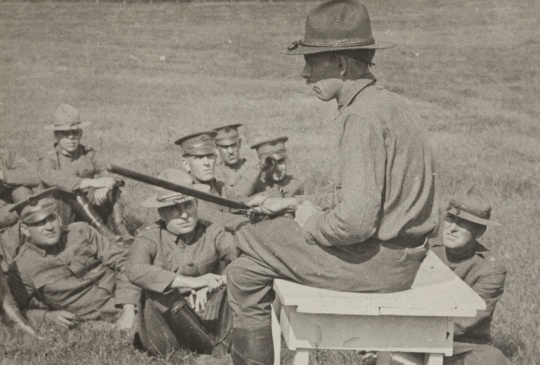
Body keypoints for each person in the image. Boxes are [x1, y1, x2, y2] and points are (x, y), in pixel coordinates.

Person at [198, 1, 439, 364]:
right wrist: (292, 203)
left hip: (378, 265)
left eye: (311, 62)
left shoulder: (360, 119)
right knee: (245, 272)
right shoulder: (390, 104)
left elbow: (355, 221)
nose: (304, 75)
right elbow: (365, 197)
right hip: (402, 257)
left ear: (340, 64)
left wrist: (308, 221)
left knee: (251, 236)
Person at [126, 169, 236, 357]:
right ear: (162, 212)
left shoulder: (213, 231)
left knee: (237, 281)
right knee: (159, 290)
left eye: (188, 205)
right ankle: (216, 352)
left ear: (197, 204)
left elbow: (242, 258)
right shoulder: (150, 237)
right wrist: (192, 282)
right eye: (174, 208)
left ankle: (217, 352)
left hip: (208, 315)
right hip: (166, 328)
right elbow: (135, 270)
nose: (184, 214)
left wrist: (216, 283)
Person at [7, 188, 139, 331]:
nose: (49, 227)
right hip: (96, 320)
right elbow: (13, 310)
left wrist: (128, 309)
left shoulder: (81, 231)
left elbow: (123, 261)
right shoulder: (22, 266)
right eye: (39, 223)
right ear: (25, 230)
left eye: (51, 218)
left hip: (130, 297)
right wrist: (46, 316)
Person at [432, 187, 508, 365]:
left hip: (460, 345)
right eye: (450, 218)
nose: (452, 228)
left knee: (492, 359)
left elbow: (468, 320)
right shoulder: (426, 253)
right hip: (415, 339)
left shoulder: (490, 269)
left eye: (463, 223)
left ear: (480, 231)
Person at [38, 104, 132, 243]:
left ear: (81, 133)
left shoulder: (88, 153)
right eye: (65, 133)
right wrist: (93, 183)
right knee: (72, 190)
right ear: (56, 136)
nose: (71, 137)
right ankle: (104, 233)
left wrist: (104, 186)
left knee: (113, 188)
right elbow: (53, 178)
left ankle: (121, 230)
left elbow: (105, 171)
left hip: (88, 209)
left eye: (75, 132)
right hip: (61, 212)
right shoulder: (49, 158)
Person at [175, 131, 249, 231]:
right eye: (199, 158)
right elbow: (208, 215)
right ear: (186, 164)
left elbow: (243, 200)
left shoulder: (219, 186)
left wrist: (267, 202)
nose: (207, 163)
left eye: (210, 156)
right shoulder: (186, 192)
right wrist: (249, 221)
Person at [232, 137, 304, 199]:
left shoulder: (295, 184)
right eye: (271, 164)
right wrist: (260, 167)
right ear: (264, 164)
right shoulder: (256, 184)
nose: (277, 169)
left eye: (281, 162)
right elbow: (237, 197)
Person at [0, 149, 40, 228]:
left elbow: (35, 177)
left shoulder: (7, 155)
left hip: (19, 206)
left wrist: (3, 175)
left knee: (21, 190)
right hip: (6, 214)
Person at [213, 124, 250, 195]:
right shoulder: (214, 174)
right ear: (217, 147)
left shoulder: (251, 168)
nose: (230, 152)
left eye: (233, 145)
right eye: (225, 147)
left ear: (239, 143)